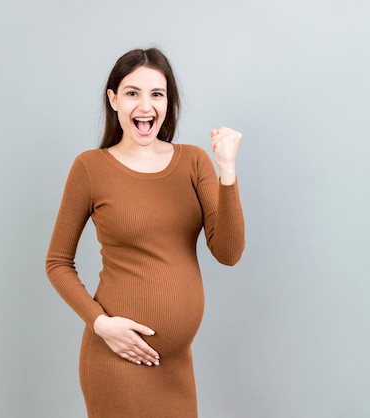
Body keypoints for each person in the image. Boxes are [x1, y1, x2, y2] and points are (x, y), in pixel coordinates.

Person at [45, 47, 245, 418]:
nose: (145, 106)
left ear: (168, 102)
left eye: (157, 94)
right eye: (132, 93)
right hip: (116, 361)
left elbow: (228, 252)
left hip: (176, 366)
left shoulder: (194, 161)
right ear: (113, 99)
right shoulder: (91, 168)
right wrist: (101, 324)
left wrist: (227, 172)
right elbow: (57, 263)